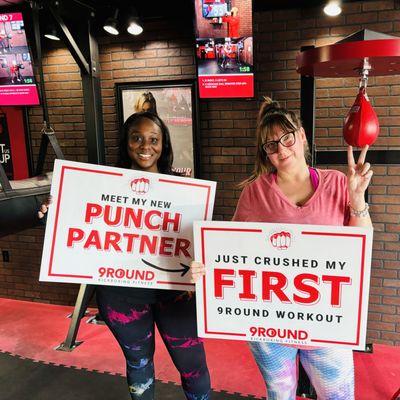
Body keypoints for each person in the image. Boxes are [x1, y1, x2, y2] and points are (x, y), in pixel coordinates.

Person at [191, 98, 373, 400]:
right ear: (266, 153)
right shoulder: (255, 193)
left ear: (301, 136)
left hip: (324, 318)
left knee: (340, 397)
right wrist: (204, 266)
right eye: (271, 145)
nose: (281, 149)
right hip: (269, 324)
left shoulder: (338, 182)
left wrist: (357, 199)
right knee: (281, 394)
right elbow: (227, 249)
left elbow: (361, 249)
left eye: (287, 138)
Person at [39, 112, 211, 400]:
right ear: (126, 143)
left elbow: (198, 241)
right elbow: (76, 226)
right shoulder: (100, 186)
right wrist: (52, 215)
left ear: (163, 144)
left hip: (175, 293)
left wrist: (201, 260)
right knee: (139, 364)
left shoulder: (183, 189)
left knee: (193, 366)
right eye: (137, 138)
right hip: (122, 294)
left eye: (153, 139)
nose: (146, 146)